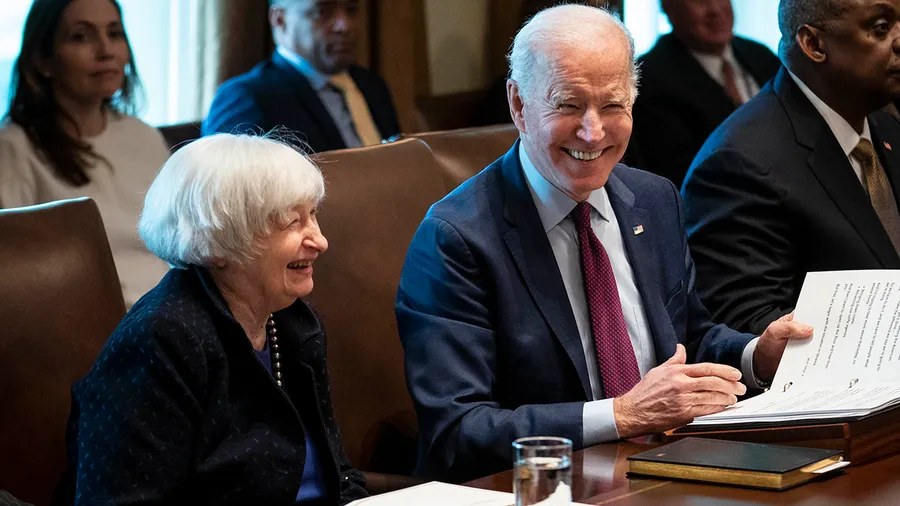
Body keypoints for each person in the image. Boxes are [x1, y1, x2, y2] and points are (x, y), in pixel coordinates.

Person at [395, 4, 813, 482]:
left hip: (664, 468)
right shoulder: (457, 238)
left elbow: (687, 340)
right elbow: (458, 431)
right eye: (568, 105)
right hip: (543, 487)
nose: (592, 132)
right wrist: (621, 414)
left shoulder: (654, 199)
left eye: (613, 106)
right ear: (518, 104)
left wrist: (757, 354)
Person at [54, 134, 367, 504]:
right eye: (290, 223)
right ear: (219, 243)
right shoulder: (161, 340)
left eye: (312, 215)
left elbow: (339, 475)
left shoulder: (293, 323)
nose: (319, 240)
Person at [683, 0, 900, 335]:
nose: (899, 40)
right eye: (882, 28)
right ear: (813, 44)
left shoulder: (885, 127)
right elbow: (748, 327)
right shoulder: (739, 163)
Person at [0, 0, 170, 308]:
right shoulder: (14, 147)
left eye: (115, 33)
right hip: (85, 330)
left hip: (169, 317)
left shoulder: (143, 136)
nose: (106, 50)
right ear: (43, 60)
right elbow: (15, 277)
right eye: (81, 36)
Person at [202, 0, 400, 153]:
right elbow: (223, 195)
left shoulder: (371, 85)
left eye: (351, 9)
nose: (344, 25)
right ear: (279, 19)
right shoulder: (246, 98)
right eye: (322, 11)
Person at [630, 0, 780, 188]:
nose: (715, 10)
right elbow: (687, 173)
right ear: (669, 10)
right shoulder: (651, 78)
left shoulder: (759, 54)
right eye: (700, 2)